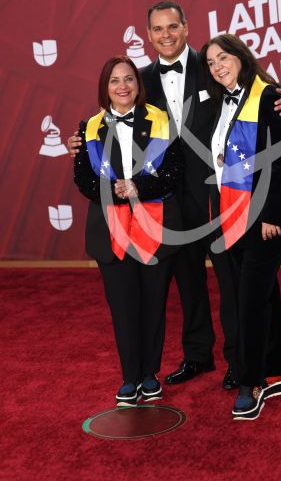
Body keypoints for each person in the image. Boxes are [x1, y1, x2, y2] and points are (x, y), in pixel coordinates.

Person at [68, 1, 281, 390]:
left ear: (186, 27)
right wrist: (79, 141)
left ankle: (239, 360)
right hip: (170, 201)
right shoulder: (140, 80)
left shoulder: (213, 65)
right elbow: (113, 124)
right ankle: (197, 355)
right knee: (188, 282)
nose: (166, 35)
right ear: (148, 34)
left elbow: (253, 93)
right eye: (157, 29)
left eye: (172, 26)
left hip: (223, 197)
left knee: (231, 283)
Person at [200, 34, 281, 420]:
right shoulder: (220, 100)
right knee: (265, 294)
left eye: (223, 57)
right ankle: (279, 371)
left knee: (249, 300)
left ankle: (252, 383)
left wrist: (271, 217)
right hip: (235, 214)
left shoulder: (267, 95)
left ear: (241, 57)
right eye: (211, 62)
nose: (217, 66)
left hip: (267, 216)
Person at [73, 55, 183, 407]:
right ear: (105, 88)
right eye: (114, 81)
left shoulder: (162, 121)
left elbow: (173, 171)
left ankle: (150, 374)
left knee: (153, 306)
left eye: (129, 79)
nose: (123, 87)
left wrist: (138, 188)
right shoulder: (88, 127)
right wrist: (113, 191)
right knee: (123, 308)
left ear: (138, 84)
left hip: (154, 225)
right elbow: (83, 178)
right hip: (111, 231)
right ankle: (129, 378)